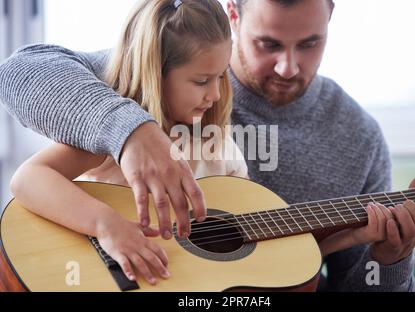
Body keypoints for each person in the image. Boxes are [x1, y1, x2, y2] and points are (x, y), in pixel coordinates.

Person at [0, 0, 415, 291]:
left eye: (309, 44)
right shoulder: (163, 64)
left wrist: (382, 254)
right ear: (234, 15)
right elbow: (22, 72)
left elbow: (267, 266)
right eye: (267, 43)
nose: (288, 66)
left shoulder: (352, 137)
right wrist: (129, 132)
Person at [8, 0, 250, 285]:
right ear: (155, 73)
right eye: (201, 81)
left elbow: (244, 224)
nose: (215, 95)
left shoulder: (219, 144)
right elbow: (26, 180)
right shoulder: (117, 140)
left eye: (220, 77)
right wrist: (104, 224)